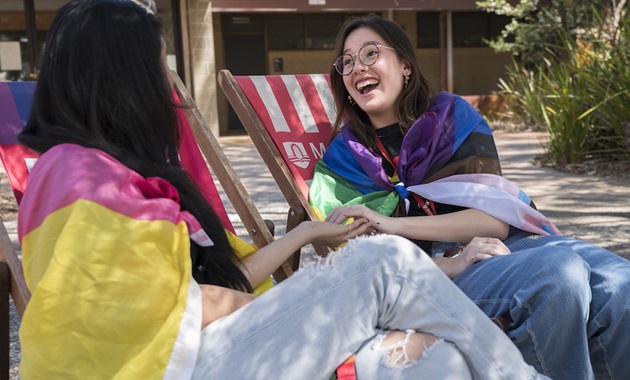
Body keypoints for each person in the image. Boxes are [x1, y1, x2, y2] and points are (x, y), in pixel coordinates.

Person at [15, 1, 547, 379]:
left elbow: (204, 284)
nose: (166, 86)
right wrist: (322, 294)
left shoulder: (113, 171)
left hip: (195, 352)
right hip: (161, 367)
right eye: (157, 68)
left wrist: (308, 235)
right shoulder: (77, 177)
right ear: (121, 79)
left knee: (437, 363)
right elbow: (172, 313)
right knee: (379, 261)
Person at [310, 14, 630, 380]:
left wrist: (394, 221)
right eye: (347, 61)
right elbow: (362, 259)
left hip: (505, 242)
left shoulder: (451, 119)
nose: (357, 67)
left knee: (620, 283)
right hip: (433, 271)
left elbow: (494, 217)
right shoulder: (346, 158)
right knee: (558, 275)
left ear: (405, 65)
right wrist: (453, 258)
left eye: (370, 53)